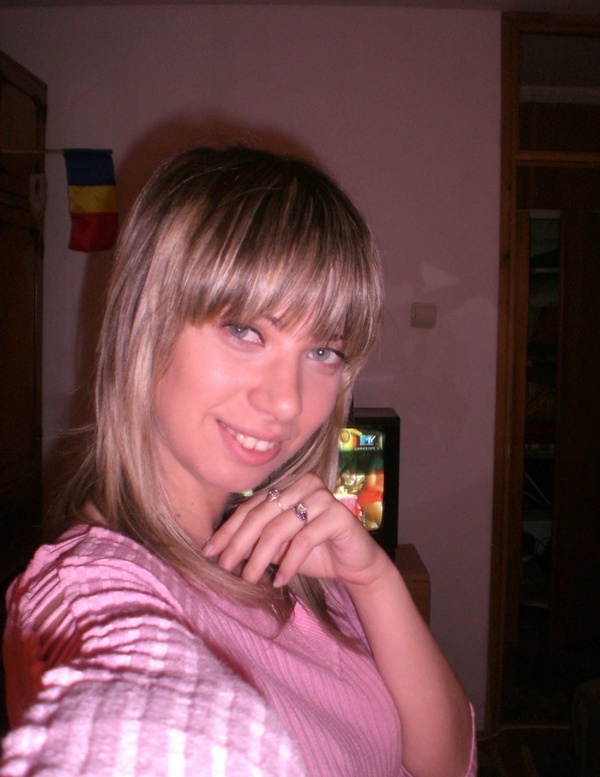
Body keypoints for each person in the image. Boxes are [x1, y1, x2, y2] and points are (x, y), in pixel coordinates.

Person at [1, 145, 476, 777]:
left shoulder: (296, 560)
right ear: (146, 323)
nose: (287, 403)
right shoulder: (90, 592)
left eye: (324, 352)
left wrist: (374, 580)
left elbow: (447, 762)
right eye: (246, 331)